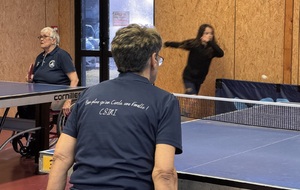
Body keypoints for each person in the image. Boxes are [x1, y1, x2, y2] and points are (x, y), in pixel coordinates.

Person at [46, 24, 182, 190]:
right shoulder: (165, 101)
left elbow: (60, 157)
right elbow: (164, 173)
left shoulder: (89, 95)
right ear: (153, 59)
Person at [17, 26, 79, 118]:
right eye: (40, 37)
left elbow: (75, 80)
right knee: (22, 104)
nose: (41, 39)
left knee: (35, 106)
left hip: (55, 95)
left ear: (54, 40)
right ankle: (27, 130)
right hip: (38, 93)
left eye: (45, 36)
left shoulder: (62, 55)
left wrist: (68, 100)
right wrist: (30, 79)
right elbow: (38, 76)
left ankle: (37, 130)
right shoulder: (39, 57)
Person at [164, 24, 224, 95]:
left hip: (199, 79)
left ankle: (181, 104)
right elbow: (180, 44)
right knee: (192, 97)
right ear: (201, 34)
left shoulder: (212, 49)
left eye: (211, 33)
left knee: (192, 99)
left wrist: (210, 42)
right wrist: (167, 44)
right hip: (189, 77)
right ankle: (178, 103)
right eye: (206, 33)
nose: (209, 35)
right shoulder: (194, 44)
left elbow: (221, 54)